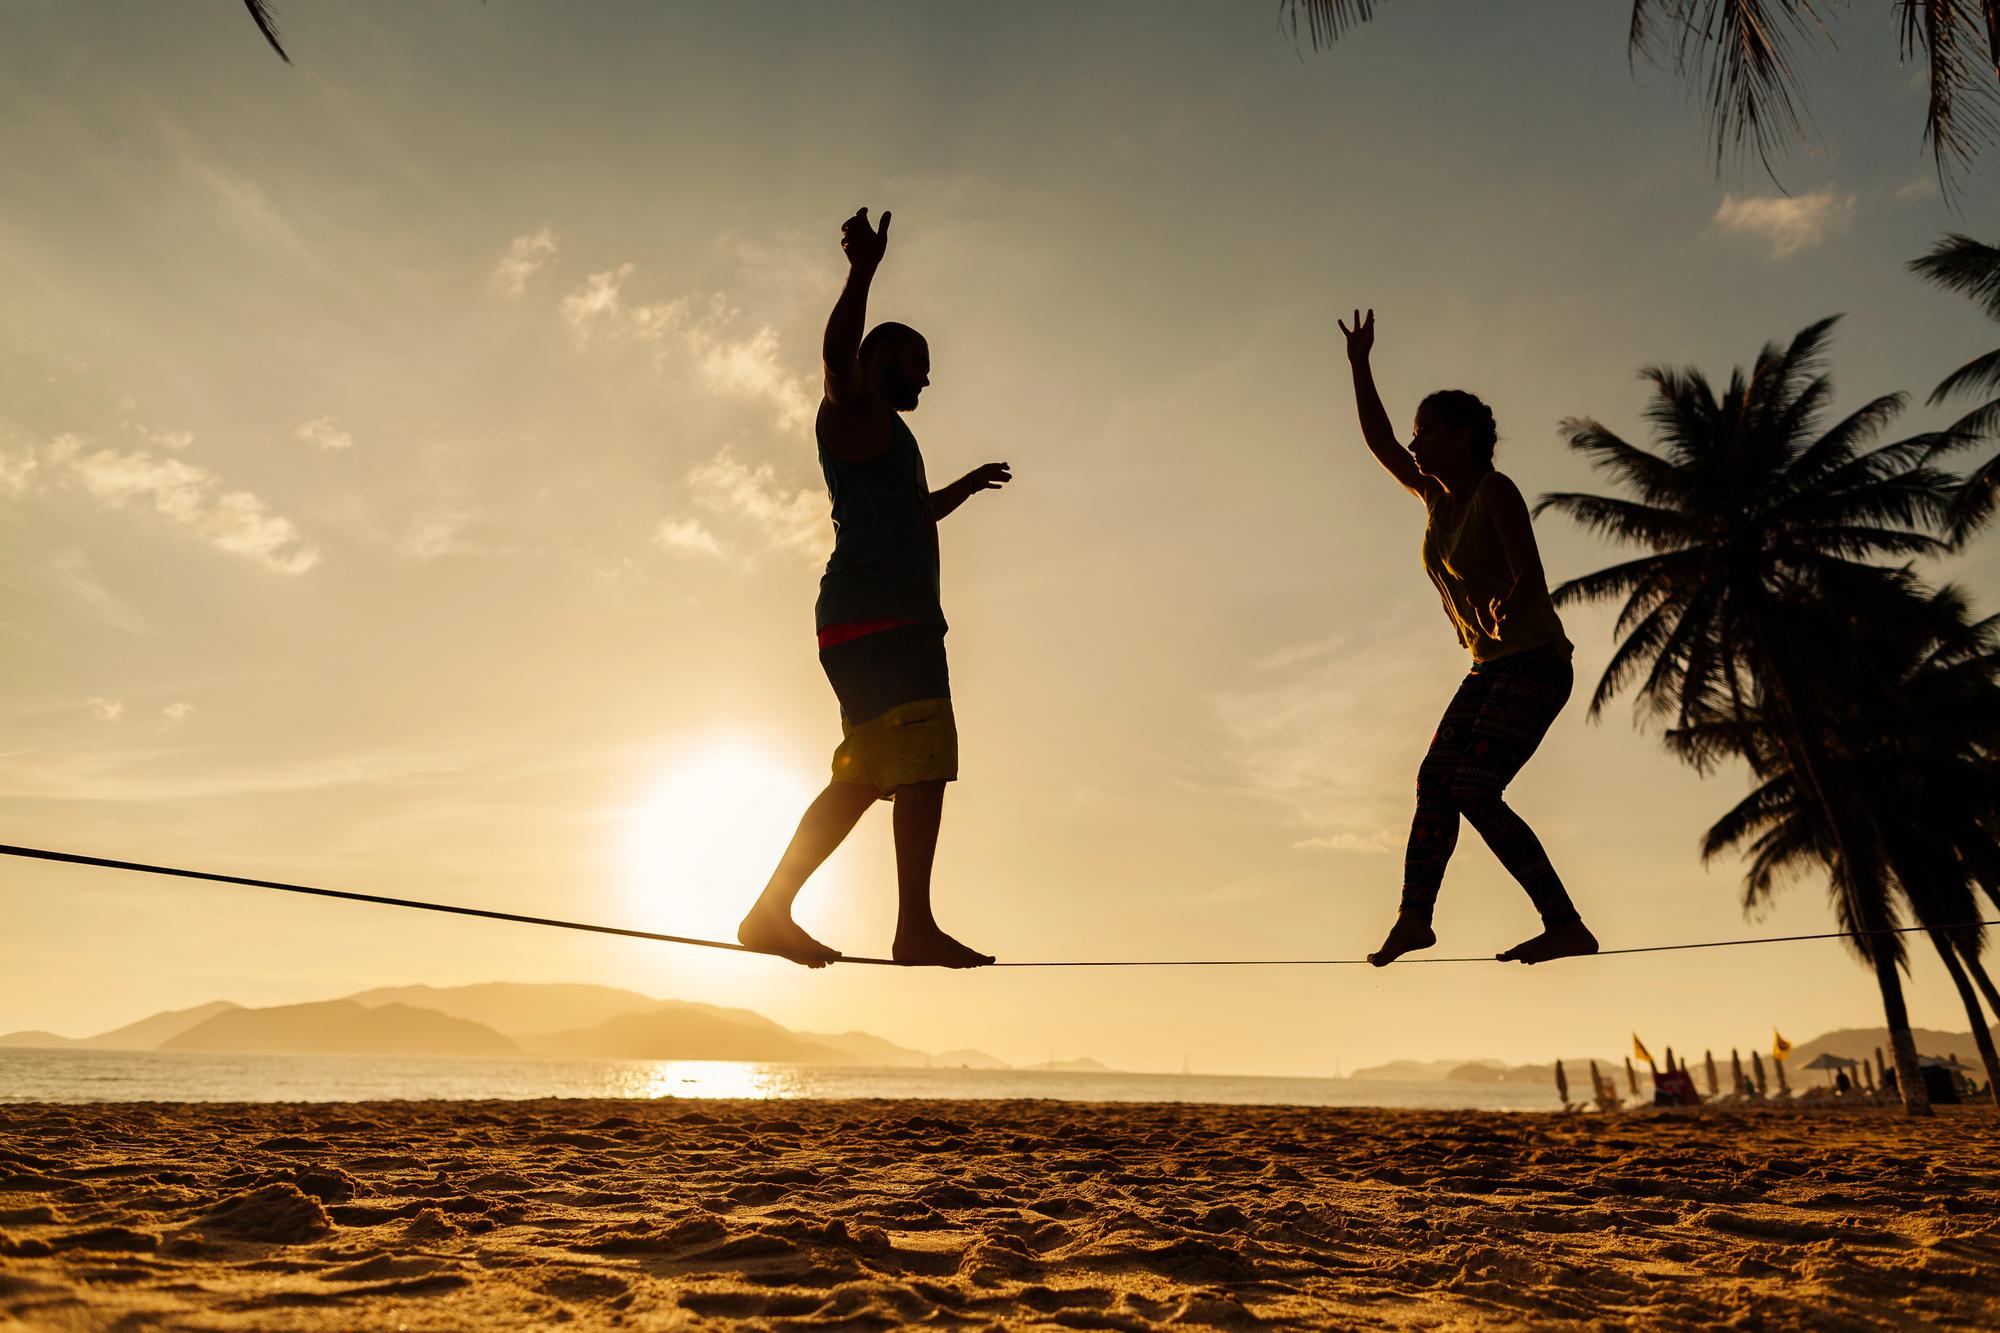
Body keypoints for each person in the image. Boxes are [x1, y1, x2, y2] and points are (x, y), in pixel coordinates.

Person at [737, 207, 1009, 969]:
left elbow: (912, 513)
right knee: (925, 755)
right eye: (918, 361)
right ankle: (914, 925)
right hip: (890, 620)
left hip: (855, 623)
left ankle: (768, 911)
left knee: (863, 775)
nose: (927, 376)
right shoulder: (854, 408)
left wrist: (962, 488)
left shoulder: (888, 439)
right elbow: (834, 359)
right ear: (882, 354)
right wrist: (862, 271)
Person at [1336, 308, 1597, 966]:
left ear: (1464, 436)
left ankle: (1566, 925)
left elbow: (1530, 574)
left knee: (1474, 787)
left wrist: (1509, 605)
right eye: (1417, 433)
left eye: (1427, 433)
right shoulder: (1436, 500)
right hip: (1490, 668)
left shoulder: (1494, 492)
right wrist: (1360, 365)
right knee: (1435, 780)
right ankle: (1414, 919)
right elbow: (1381, 443)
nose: (1416, 445)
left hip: (1536, 664)